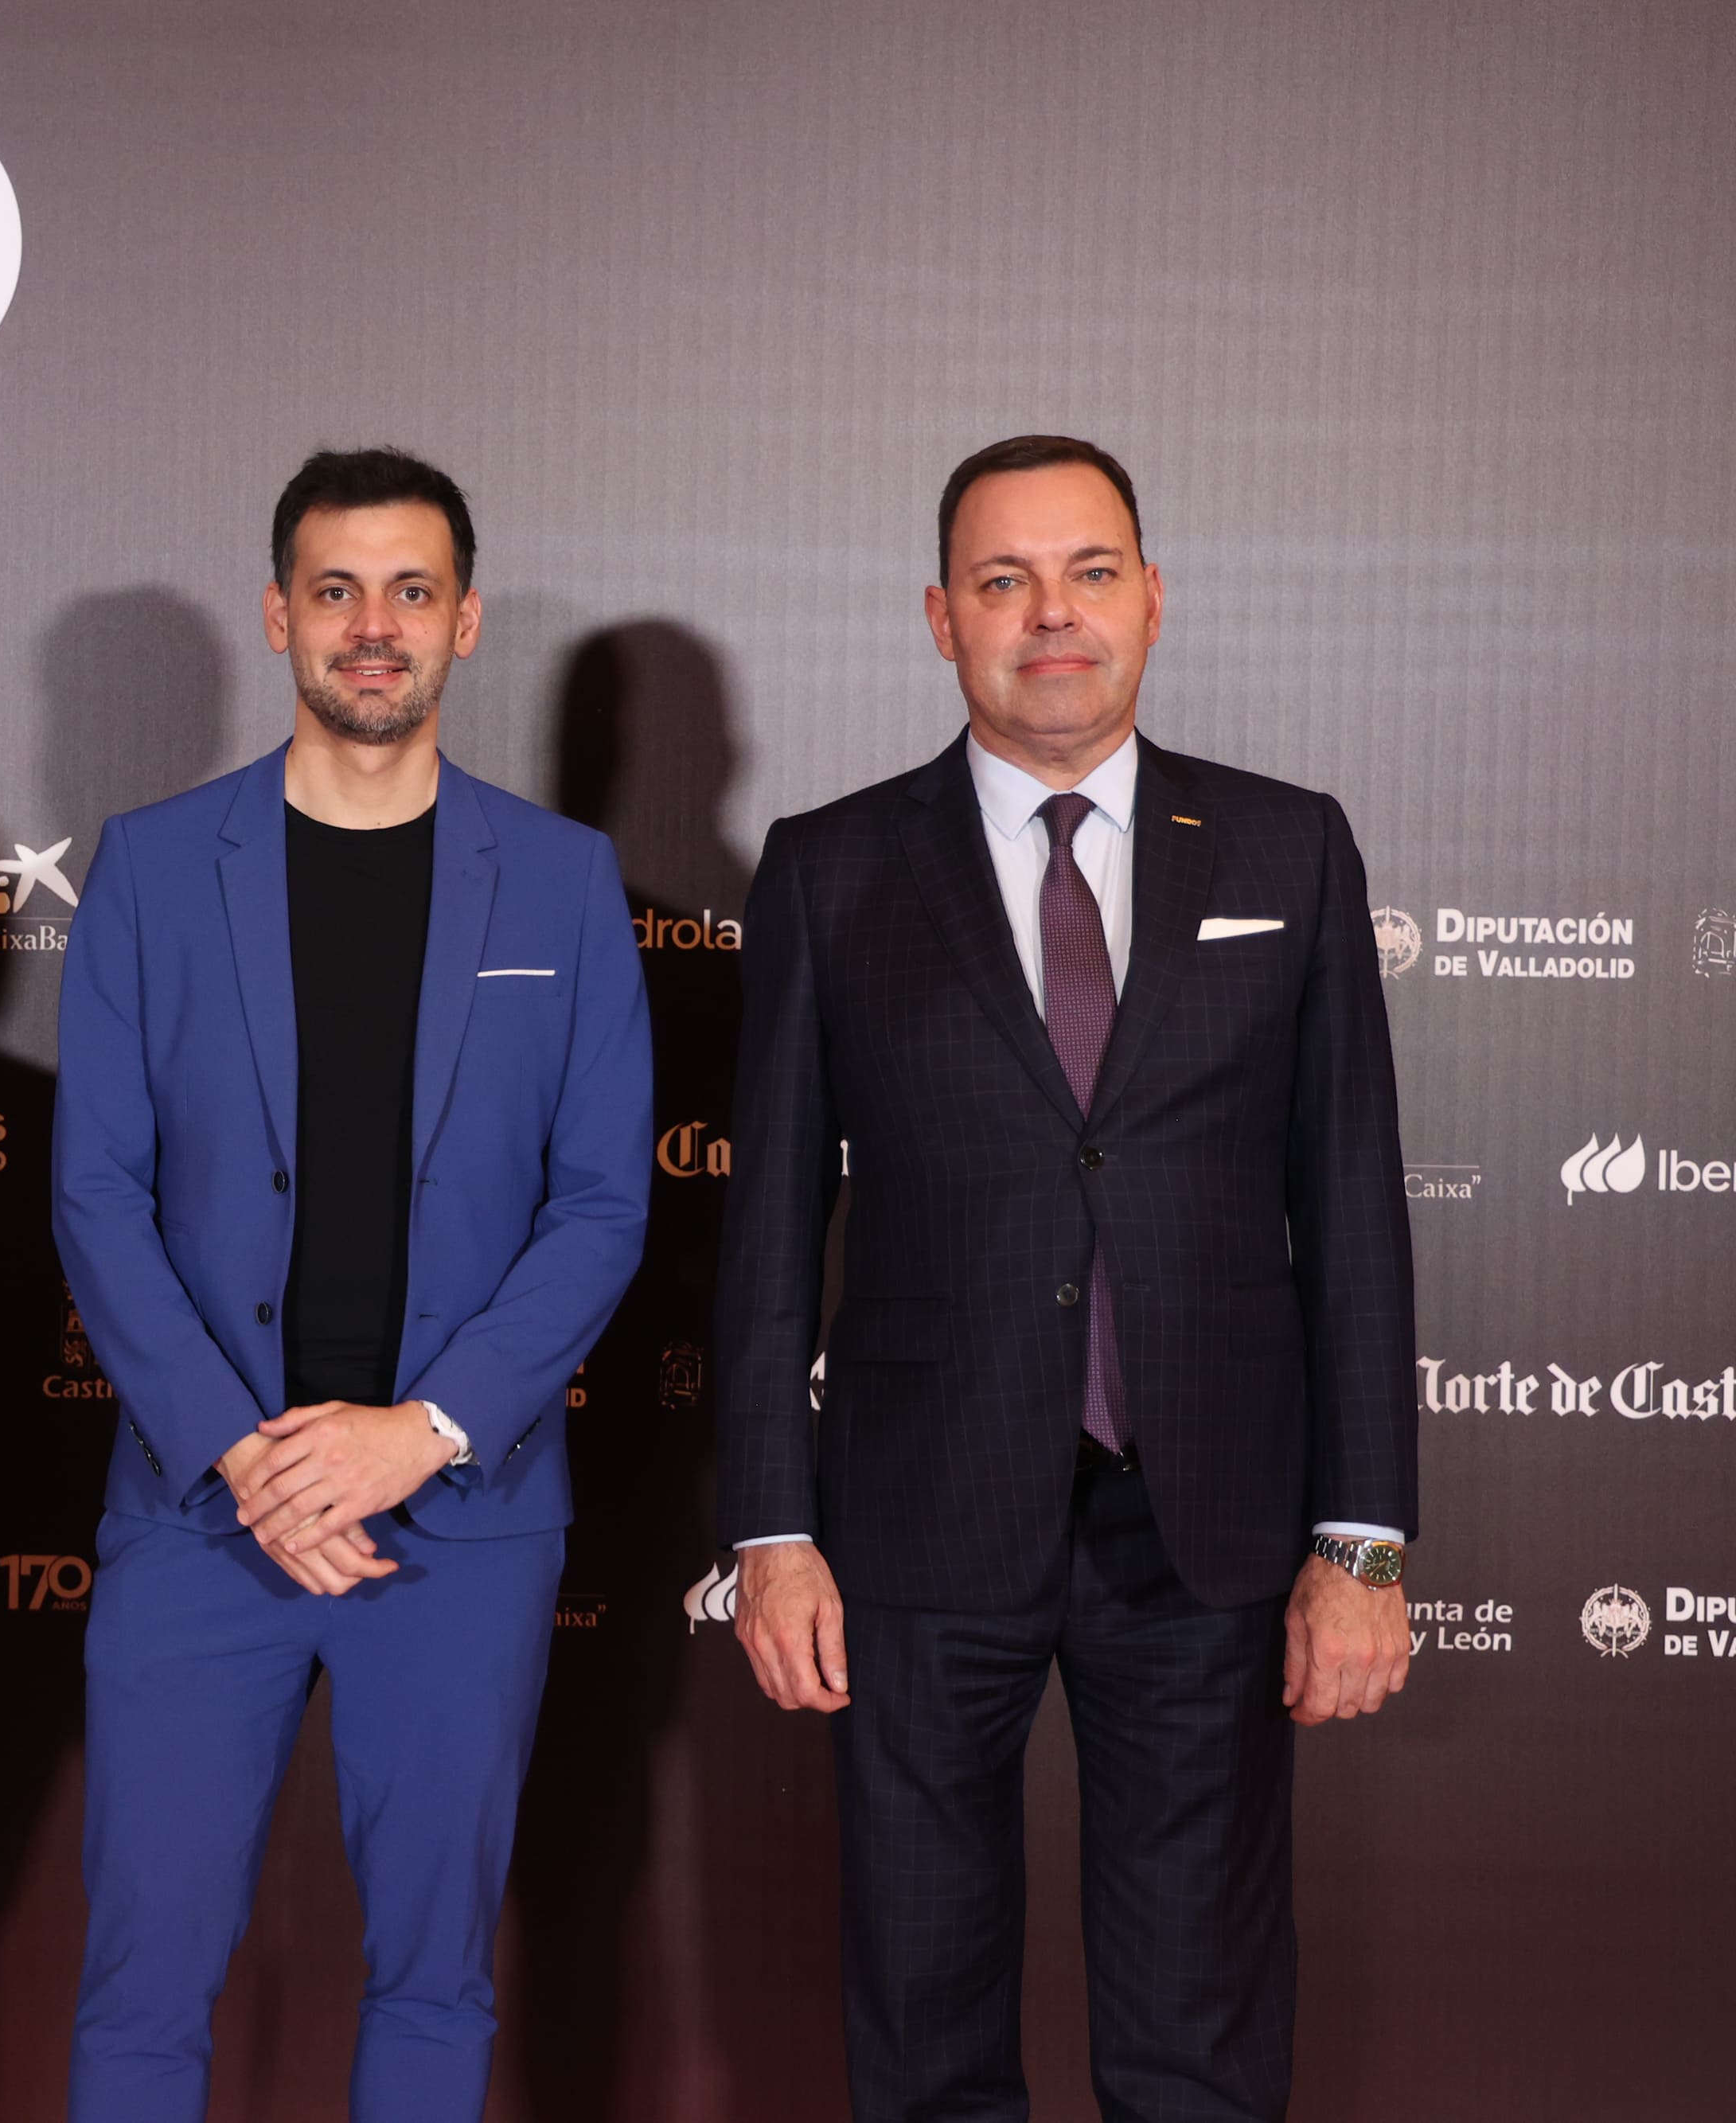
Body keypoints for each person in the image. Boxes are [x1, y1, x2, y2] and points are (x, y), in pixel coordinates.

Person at [715, 435, 1418, 2121]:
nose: (1050, 614)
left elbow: (1348, 1205)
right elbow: (757, 1230)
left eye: (1089, 571)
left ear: (1151, 599)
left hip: (1209, 1526)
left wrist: (1363, 1535)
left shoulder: (1285, 846)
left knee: (1196, 2023)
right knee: (922, 2012)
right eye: (1003, 579)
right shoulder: (828, 868)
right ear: (938, 615)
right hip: (909, 1519)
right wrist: (765, 1523)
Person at [54, 447, 653, 2121]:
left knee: (433, 1978)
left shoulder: (559, 880)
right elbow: (95, 1190)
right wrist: (245, 1455)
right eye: (334, 589)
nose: (370, 627)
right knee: (142, 1979)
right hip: (198, 1513)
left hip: (452, 1520)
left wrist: (424, 1430)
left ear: (462, 619)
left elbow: (604, 1202)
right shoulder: (157, 866)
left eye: (407, 591)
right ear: (278, 614)